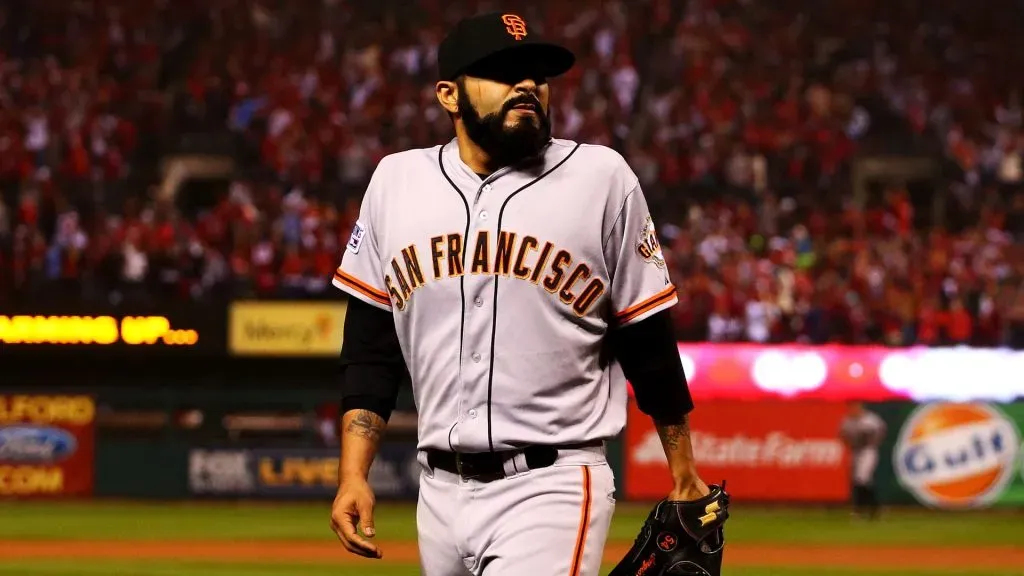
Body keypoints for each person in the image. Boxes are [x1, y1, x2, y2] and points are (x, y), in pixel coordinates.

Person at [328, 11, 711, 576]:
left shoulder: (601, 178)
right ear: (448, 95)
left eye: (537, 74)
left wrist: (683, 469)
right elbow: (370, 348)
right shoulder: (394, 183)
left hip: (553, 483)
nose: (527, 84)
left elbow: (647, 339)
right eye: (504, 73)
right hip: (436, 492)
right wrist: (353, 474)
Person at [839, 401, 886, 519]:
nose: (854, 410)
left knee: (861, 478)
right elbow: (842, 435)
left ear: (861, 408)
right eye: (852, 407)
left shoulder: (870, 420)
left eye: (856, 407)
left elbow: (881, 432)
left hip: (868, 451)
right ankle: (872, 508)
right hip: (855, 451)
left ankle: (862, 508)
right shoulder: (847, 421)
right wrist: (849, 443)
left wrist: (873, 443)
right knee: (860, 481)